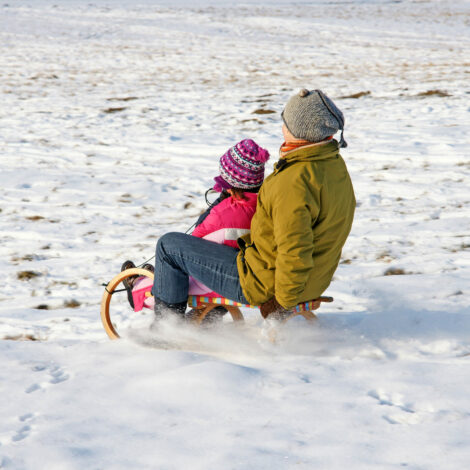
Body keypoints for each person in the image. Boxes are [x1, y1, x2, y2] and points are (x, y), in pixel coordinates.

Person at [151, 88, 356, 320]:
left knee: (169, 246)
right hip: (312, 281)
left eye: (285, 123)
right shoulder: (333, 166)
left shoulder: (292, 182)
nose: (282, 129)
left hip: (265, 283)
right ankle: (203, 320)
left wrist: (281, 303)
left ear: (300, 131)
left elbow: (295, 250)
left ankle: (166, 330)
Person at [124, 139, 270, 311]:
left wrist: (217, 205)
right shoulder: (265, 207)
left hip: (217, 281)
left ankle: (142, 293)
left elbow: (192, 247)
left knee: (170, 249)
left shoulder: (224, 213)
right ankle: (207, 322)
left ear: (230, 183)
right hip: (243, 272)